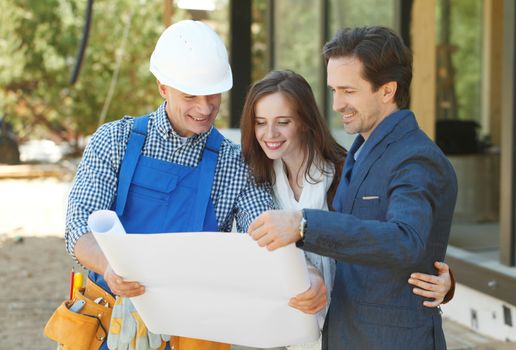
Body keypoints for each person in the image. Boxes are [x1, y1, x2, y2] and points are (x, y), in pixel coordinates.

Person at [65, 20, 325, 350]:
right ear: (163, 87)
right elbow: (78, 227)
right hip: (110, 324)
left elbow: (268, 233)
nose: (204, 108)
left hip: (195, 333)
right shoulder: (114, 140)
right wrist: (108, 266)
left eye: (213, 94)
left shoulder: (235, 163)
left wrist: (309, 275)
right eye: (190, 96)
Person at [248, 27, 458, 350]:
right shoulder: (362, 151)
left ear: (387, 90)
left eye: (347, 91)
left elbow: (406, 240)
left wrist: (303, 224)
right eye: (333, 90)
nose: (335, 104)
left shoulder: (415, 157)